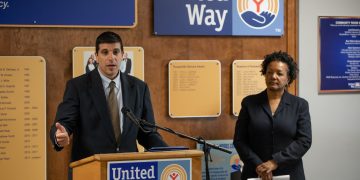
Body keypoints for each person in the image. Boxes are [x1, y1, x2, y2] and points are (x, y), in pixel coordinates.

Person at [50, 31, 167, 172]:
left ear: (123, 56)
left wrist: (171, 153)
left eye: (116, 52)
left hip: (129, 170)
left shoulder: (139, 88)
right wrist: (59, 137)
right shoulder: (78, 87)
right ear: (96, 57)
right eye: (105, 52)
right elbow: (65, 123)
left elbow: (147, 132)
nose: (111, 58)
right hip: (90, 170)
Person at [233, 51, 312, 180]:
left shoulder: (300, 105)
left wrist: (275, 162)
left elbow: (304, 141)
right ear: (264, 74)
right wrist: (259, 165)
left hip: (290, 173)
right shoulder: (249, 103)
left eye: (279, 73)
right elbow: (239, 140)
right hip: (256, 173)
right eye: (269, 72)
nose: (273, 76)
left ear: (288, 78)